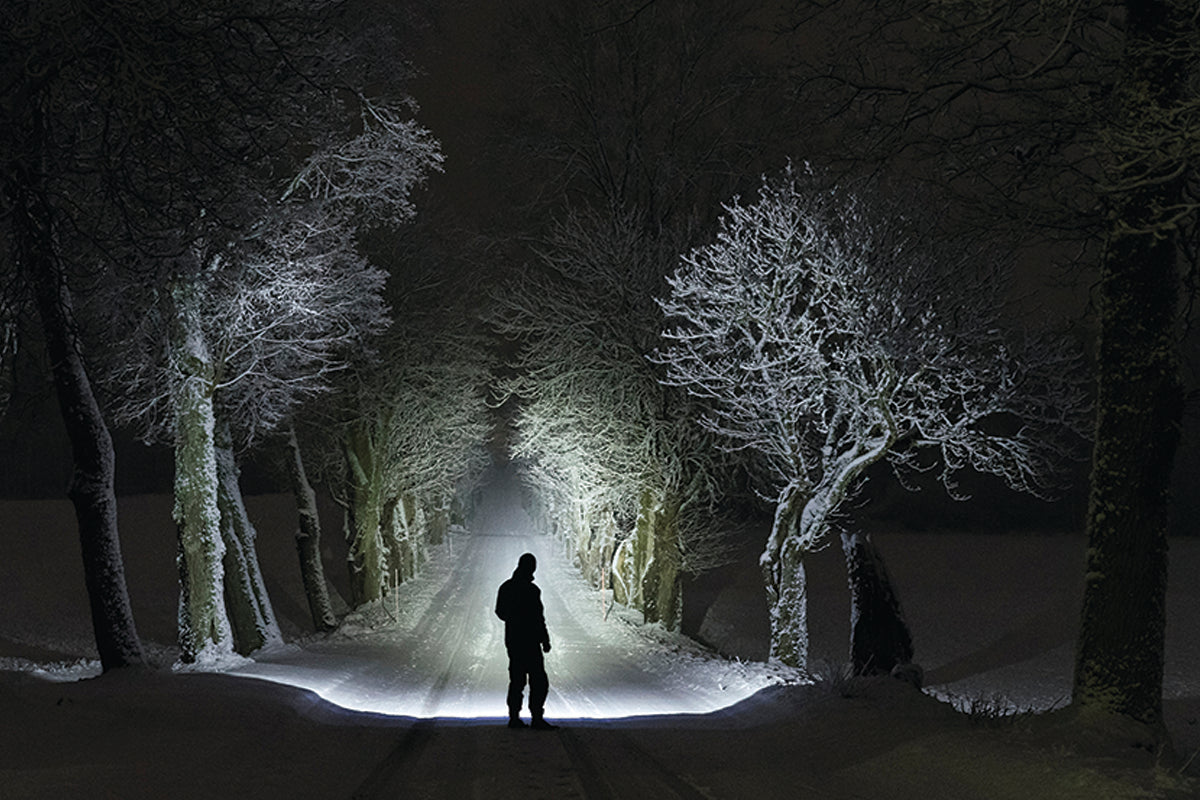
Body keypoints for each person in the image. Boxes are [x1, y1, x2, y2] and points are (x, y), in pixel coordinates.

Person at [495, 552, 557, 729]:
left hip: (514, 640)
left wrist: (513, 620)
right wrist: (544, 639)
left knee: (517, 679)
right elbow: (539, 618)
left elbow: (500, 612)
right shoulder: (532, 590)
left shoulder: (507, 587)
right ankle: (536, 717)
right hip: (530, 641)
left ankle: (514, 717)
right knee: (538, 680)